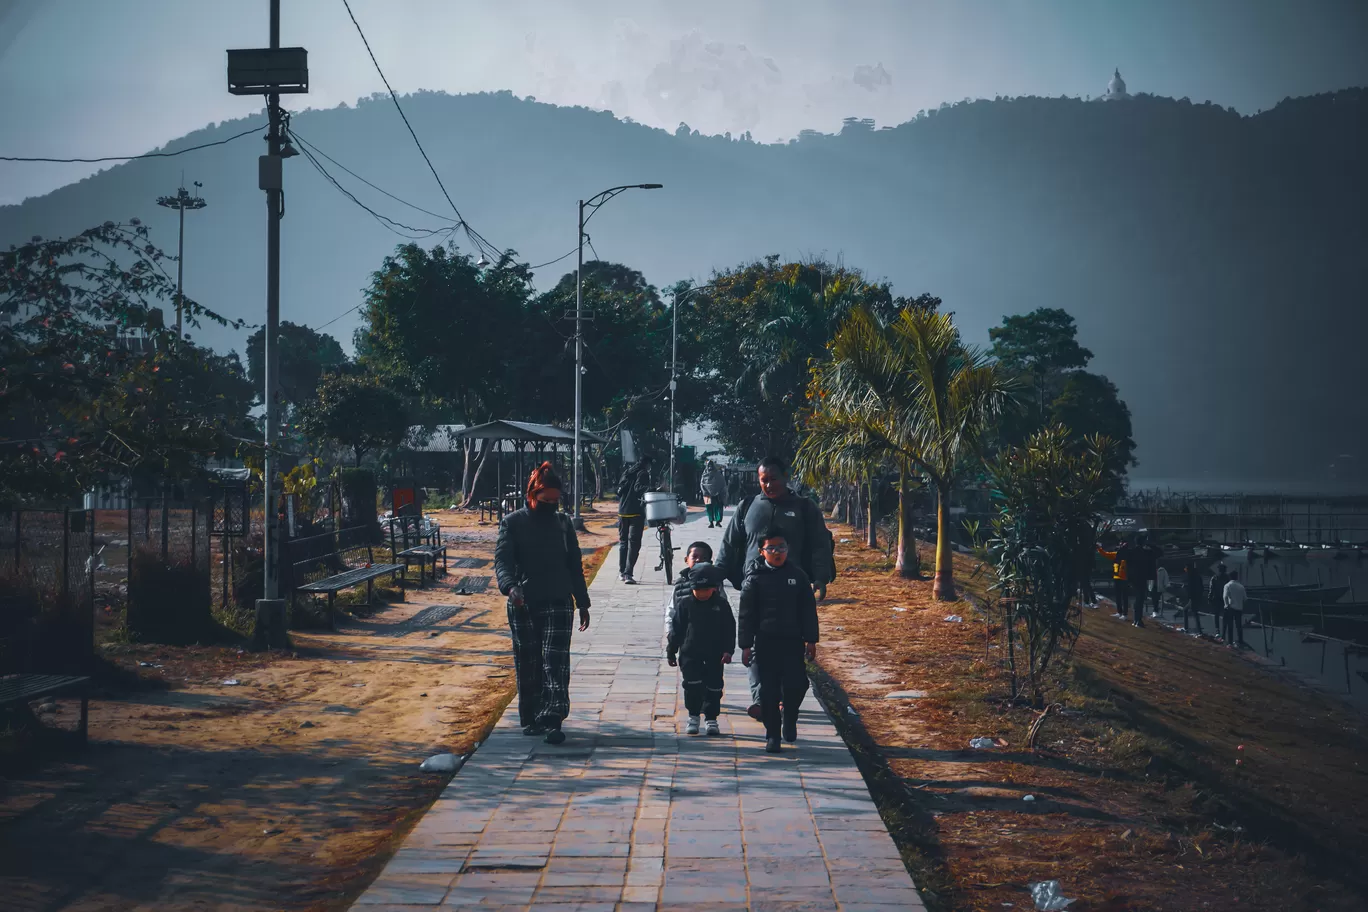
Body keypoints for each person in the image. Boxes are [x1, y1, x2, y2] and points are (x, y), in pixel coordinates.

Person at [717, 455, 833, 722]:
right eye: (763, 480)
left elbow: (819, 545)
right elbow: (730, 543)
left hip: (793, 590)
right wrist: (717, 575)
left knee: (789, 649)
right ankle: (763, 700)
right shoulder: (748, 506)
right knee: (757, 647)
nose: (768, 485)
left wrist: (820, 577)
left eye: (773, 479)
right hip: (754, 587)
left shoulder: (804, 508)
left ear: (785, 477)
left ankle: (784, 698)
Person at [494, 462, 591, 745]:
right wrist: (510, 587)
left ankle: (553, 718)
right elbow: (502, 561)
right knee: (529, 661)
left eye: (555, 499)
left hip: (559, 600)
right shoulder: (513, 523)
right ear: (531, 495)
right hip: (523, 602)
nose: (551, 504)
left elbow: (574, 564)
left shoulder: (563, 524)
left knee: (555, 661)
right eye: (545, 499)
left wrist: (582, 602)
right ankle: (531, 718)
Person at [738, 529, 819, 754]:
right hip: (765, 643)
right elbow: (746, 614)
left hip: (793, 642)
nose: (777, 552)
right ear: (761, 551)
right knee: (768, 692)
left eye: (781, 547)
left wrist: (811, 640)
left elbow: (808, 611)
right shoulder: (754, 578)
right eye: (771, 548)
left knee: (798, 685)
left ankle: (790, 716)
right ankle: (772, 734)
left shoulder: (798, 576)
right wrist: (745, 645)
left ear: (787, 549)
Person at [666, 562, 735, 737]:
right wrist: (671, 651)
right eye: (698, 590)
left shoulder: (721, 605)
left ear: (714, 588)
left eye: (706, 590)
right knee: (692, 685)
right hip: (690, 653)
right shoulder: (685, 604)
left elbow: (729, 629)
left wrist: (728, 650)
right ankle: (693, 716)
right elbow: (677, 630)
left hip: (715, 654)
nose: (702, 594)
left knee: (714, 686)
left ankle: (711, 718)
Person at [616, 456, 653, 584]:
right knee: (634, 543)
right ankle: (628, 573)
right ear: (647, 464)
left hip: (622, 512)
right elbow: (638, 489)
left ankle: (622, 572)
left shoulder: (627, 472)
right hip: (636, 513)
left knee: (623, 542)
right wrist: (652, 489)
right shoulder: (643, 473)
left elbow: (619, 492)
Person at [1097, 537, 1136, 625]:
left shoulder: (1129, 554)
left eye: (1122, 543)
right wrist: (1099, 548)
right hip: (1117, 577)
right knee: (1118, 596)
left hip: (1125, 578)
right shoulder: (1116, 554)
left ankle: (1125, 614)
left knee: (1124, 597)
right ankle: (1119, 612)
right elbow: (1106, 554)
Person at [1222, 569, 1247, 647]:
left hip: (1230, 608)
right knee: (1239, 626)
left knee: (1230, 626)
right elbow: (1245, 599)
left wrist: (1226, 605)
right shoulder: (1241, 586)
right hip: (1239, 608)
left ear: (1230, 577)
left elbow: (1225, 596)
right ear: (1237, 577)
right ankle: (1240, 641)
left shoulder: (1227, 585)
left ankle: (1230, 642)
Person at [700, 460, 727, 528]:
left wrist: (721, 492)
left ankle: (718, 521)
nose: (710, 467)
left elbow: (722, 483)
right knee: (709, 508)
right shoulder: (704, 475)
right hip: (707, 494)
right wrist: (705, 491)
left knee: (718, 508)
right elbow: (702, 484)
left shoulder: (718, 474)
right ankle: (711, 522)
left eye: (711, 466)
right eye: (708, 466)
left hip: (718, 494)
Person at [1183, 562, 1205, 633]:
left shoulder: (1190, 576)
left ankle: (1197, 630)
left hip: (1193, 597)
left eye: (1186, 568)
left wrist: (1189, 594)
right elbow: (1201, 587)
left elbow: (1190, 587)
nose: (1185, 569)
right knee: (1192, 612)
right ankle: (1197, 630)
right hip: (1197, 596)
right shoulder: (1197, 575)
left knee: (1193, 612)